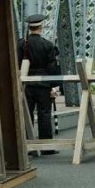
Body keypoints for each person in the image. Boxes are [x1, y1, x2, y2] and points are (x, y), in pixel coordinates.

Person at [18, 14, 61, 155]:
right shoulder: (47, 45)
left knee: (27, 114)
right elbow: (52, 68)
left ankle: (28, 146)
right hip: (43, 83)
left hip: (26, 83)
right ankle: (46, 147)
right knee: (44, 114)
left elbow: (17, 64)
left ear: (29, 28)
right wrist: (54, 86)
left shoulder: (21, 44)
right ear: (41, 27)